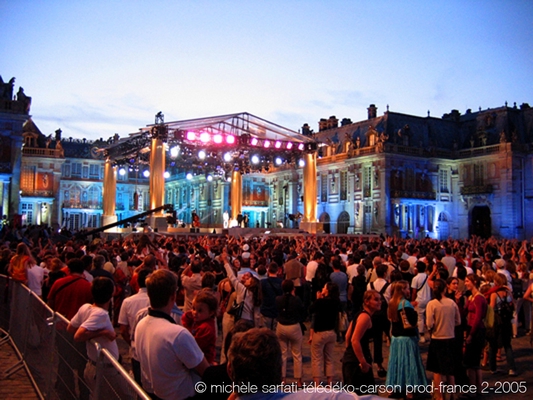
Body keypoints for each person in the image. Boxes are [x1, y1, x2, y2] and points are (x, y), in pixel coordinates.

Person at [135, 269, 209, 400]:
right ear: (173, 297)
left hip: (156, 392)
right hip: (181, 395)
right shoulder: (177, 334)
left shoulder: (140, 324)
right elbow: (205, 370)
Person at [227, 327, 357, 399]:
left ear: (230, 370)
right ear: (279, 368)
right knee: (298, 355)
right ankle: (299, 379)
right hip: (297, 329)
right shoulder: (317, 397)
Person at [67, 277, 131, 399]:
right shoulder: (100, 314)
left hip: (95, 365)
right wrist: (103, 332)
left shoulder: (86, 307)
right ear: (111, 293)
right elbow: (78, 335)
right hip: (105, 370)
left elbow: (70, 327)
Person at [385, 281, 427, 398]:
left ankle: (394, 387)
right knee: (408, 363)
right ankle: (410, 389)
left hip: (396, 338)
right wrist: (414, 311)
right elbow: (412, 322)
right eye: (407, 288)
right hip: (407, 338)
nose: (409, 291)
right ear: (402, 290)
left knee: (396, 363)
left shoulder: (392, 303)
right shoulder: (406, 304)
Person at [425, 279, 461, 400]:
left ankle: (439, 395)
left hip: (437, 338)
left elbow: (429, 323)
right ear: (445, 289)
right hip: (450, 337)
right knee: (450, 369)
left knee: (437, 371)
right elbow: (458, 321)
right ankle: (452, 393)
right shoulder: (451, 303)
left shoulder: (432, 304)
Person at [342, 290, 381, 394]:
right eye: (376, 299)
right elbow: (354, 340)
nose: (379, 302)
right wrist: (362, 362)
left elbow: (347, 336)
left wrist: (348, 352)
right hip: (357, 362)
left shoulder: (359, 314)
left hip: (350, 360)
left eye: (380, 299)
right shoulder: (365, 317)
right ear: (367, 301)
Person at [118, 268, 151, 386]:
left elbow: (123, 330)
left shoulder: (128, 302)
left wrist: (132, 343)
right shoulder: (157, 301)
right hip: (154, 351)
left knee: (139, 386)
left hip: (136, 350)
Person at [309, 282, 340, 385]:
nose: (322, 288)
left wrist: (318, 299)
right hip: (331, 332)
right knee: (329, 358)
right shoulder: (336, 302)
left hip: (320, 333)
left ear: (327, 290)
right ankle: (329, 383)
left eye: (324, 287)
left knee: (317, 358)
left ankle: (317, 384)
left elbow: (311, 310)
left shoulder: (320, 302)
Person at [276, 279, 305, 386]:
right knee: (297, 354)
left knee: (283, 354)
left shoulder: (278, 299)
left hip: (281, 325)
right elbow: (302, 311)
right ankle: (298, 380)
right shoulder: (296, 300)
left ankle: (283, 379)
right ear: (293, 288)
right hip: (294, 326)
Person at [487, 272, 517, 375]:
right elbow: (513, 305)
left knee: (493, 345)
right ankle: (512, 368)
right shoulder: (508, 293)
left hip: (497, 320)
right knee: (507, 345)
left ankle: (493, 367)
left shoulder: (494, 294)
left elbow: (491, 308)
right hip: (506, 321)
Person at [464, 274, 487, 395]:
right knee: (474, 361)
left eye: (467, 281)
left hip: (476, 330)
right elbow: (465, 311)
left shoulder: (478, 298)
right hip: (472, 328)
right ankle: (478, 388)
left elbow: (478, 317)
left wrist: (471, 335)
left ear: (474, 282)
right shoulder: (471, 297)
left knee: (471, 361)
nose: (465, 283)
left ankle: (474, 388)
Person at [181, 290, 219, 364]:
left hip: (203, 361)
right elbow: (185, 323)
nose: (195, 312)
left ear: (211, 312)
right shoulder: (198, 320)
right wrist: (188, 316)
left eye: (200, 311)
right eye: (194, 308)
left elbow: (195, 345)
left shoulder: (207, 327)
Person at [411, 261, 432, 343]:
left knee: (420, 318)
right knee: (429, 317)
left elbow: (414, 291)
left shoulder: (415, 278)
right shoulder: (428, 277)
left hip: (419, 299)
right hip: (428, 298)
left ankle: (421, 335)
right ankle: (430, 333)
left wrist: (413, 300)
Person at [260, 261, 283, 330]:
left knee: (265, 334)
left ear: (268, 270)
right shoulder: (281, 282)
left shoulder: (263, 282)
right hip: (276, 311)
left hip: (265, 310)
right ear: (277, 270)